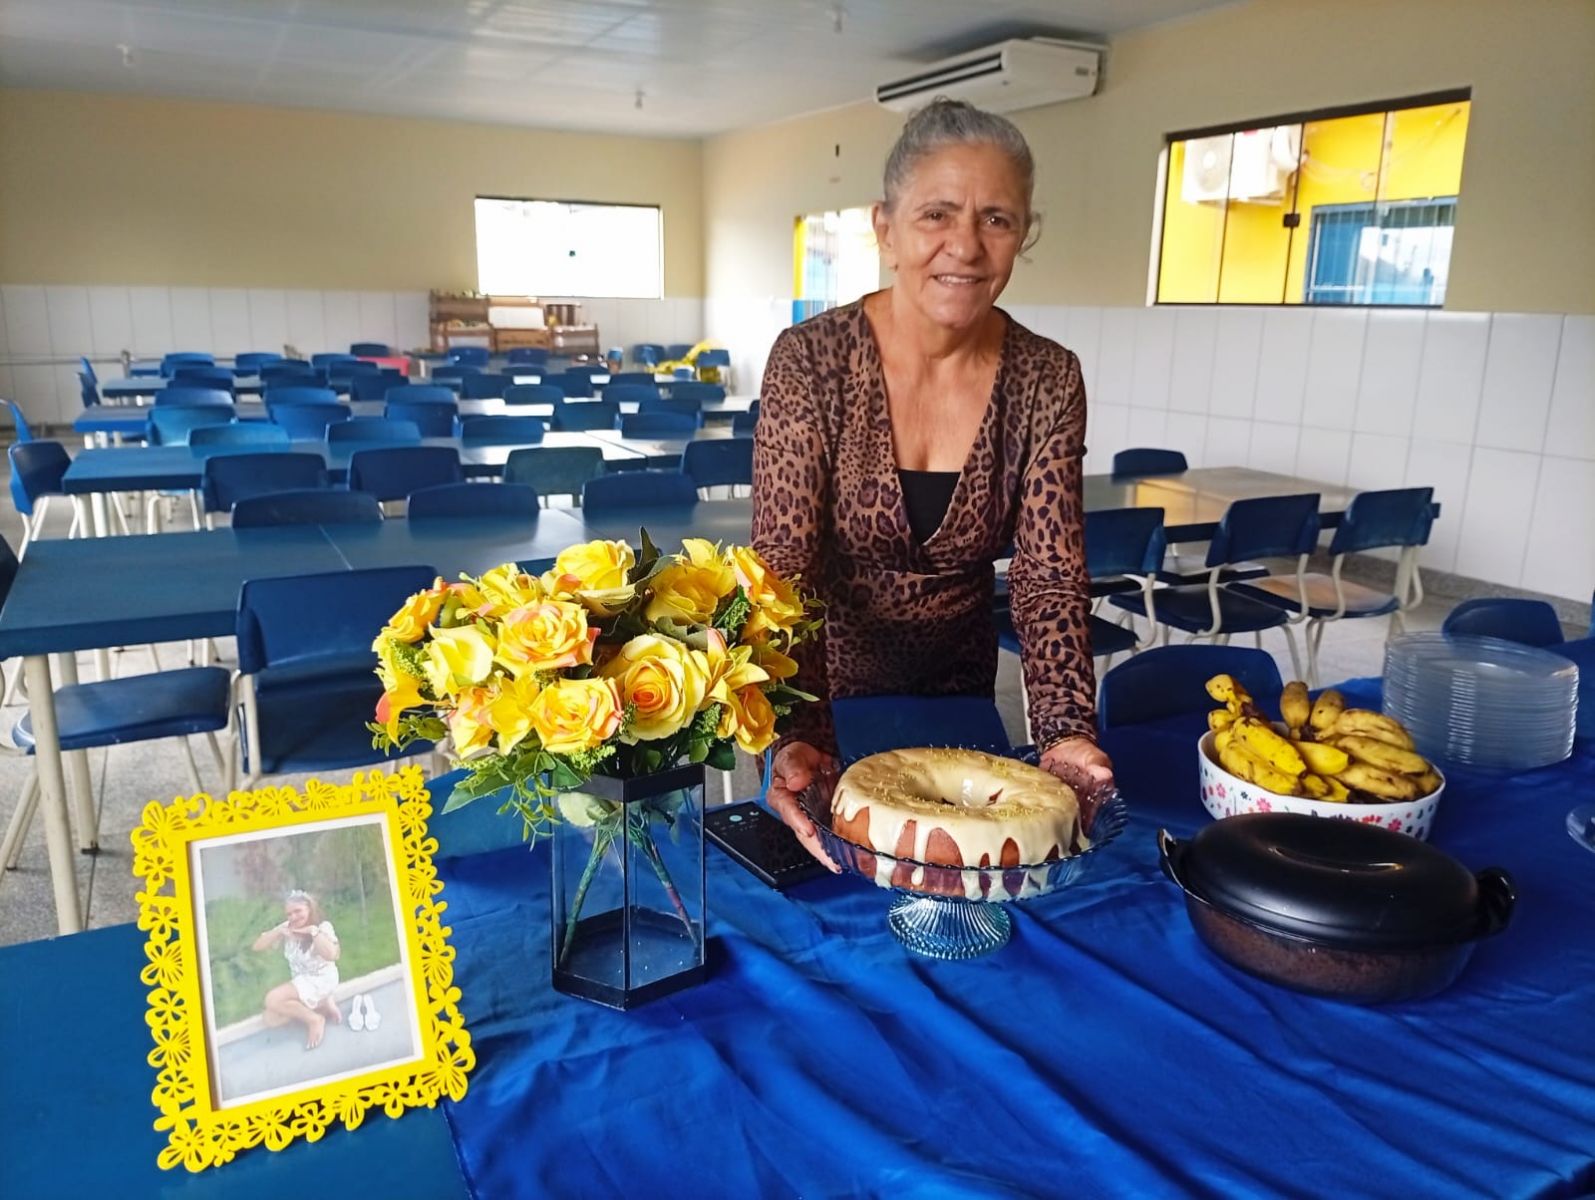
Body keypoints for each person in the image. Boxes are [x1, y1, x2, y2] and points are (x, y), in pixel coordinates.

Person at [753, 98, 1114, 869]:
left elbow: (1048, 579)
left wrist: (1064, 730)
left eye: (996, 219)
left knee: (963, 880)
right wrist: (798, 733)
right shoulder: (811, 361)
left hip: (959, 685)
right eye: (936, 215)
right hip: (827, 685)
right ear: (885, 229)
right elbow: (784, 572)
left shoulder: (1047, 377)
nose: (965, 247)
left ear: (1024, 232)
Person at [252, 889, 342, 1049]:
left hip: (321, 979)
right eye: (289, 914)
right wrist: (278, 932)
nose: (293, 917)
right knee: (270, 1019)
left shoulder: (322, 927)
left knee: (272, 999)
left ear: (309, 908)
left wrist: (313, 932)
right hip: (302, 982)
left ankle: (314, 1020)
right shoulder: (288, 927)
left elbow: (332, 955)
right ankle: (323, 1005)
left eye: (298, 911)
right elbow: (257, 946)